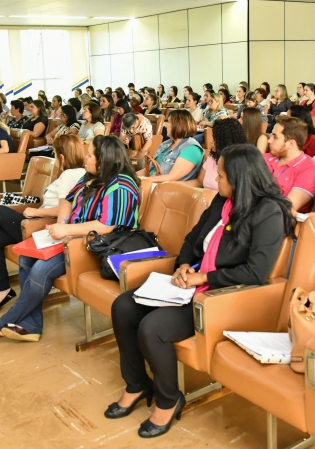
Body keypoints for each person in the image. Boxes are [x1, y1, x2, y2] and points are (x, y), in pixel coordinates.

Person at [108, 144, 294, 438]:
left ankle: (168, 400)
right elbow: (193, 238)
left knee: (152, 328)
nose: (215, 180)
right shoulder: (223, 200)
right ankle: (137, 384)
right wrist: (183, 266)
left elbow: (255, 273)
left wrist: (203, 278)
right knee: (123, 306)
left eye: (221, 176)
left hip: (223, 297)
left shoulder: (268, 212)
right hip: (194, 283)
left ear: (240, 179)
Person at [0, 135, 139, 342]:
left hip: (98, 246)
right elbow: (68, 199)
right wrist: (63, 224)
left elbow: (106, 226)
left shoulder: (121, 185)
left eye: (90, 155)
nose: (85, 158)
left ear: (103, 160)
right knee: (27, 257)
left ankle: (5, 321)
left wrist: (67, 230)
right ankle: (31, 325)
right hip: (73, 238)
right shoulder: (90, 176)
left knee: (40, 270)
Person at [0, 135, 87, 312]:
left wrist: (36, 212)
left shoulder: (69, 175)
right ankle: (2, 291)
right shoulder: (77, 174)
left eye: (55, 154)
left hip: (42, 226)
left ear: (62, 156)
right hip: (38, 222)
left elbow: (65, 210)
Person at [265, 115, 315, 213]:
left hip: (276, 218)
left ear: (290, 144)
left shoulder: (310, 169)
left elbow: (286, 208)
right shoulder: (265, 157)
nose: (269, 140)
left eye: (275, 137)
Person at [186, 118, 247, 192]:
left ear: (226, 142)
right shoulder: (212, 157)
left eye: (214, 138)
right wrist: (175, 185)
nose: (210, 141)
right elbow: (199, 181)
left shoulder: (239, 164)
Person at [147, 110, 204, 182]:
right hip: (153, 182)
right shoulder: (166, 143)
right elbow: (150, 168)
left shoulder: (192, 149)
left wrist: (145, 180)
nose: (166, 125)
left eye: (169, 122)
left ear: (178, 125)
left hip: (167, 187)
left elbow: (172, 177)